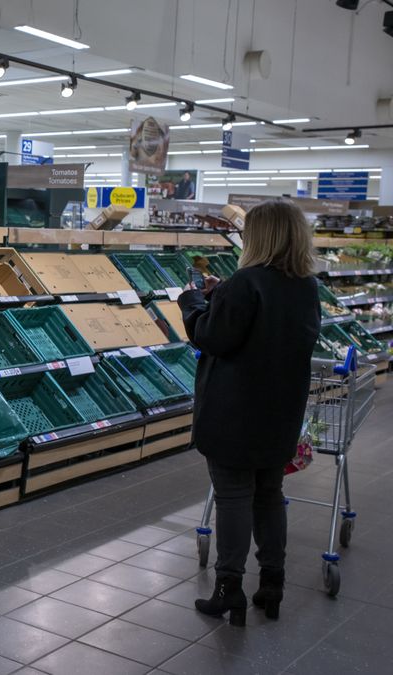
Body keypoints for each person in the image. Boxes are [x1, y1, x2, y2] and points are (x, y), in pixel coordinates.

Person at [177, 200, 320, 627]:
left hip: (234, 413)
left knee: (234, 497)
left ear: (260, 236)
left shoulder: (246, 281)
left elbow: (213, 338)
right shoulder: (305, 285)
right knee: (269, 496)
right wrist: (223, 294)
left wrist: (192, 304)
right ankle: (272, 583)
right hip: (281, 412)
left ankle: (229, 588)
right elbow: (267, 326)